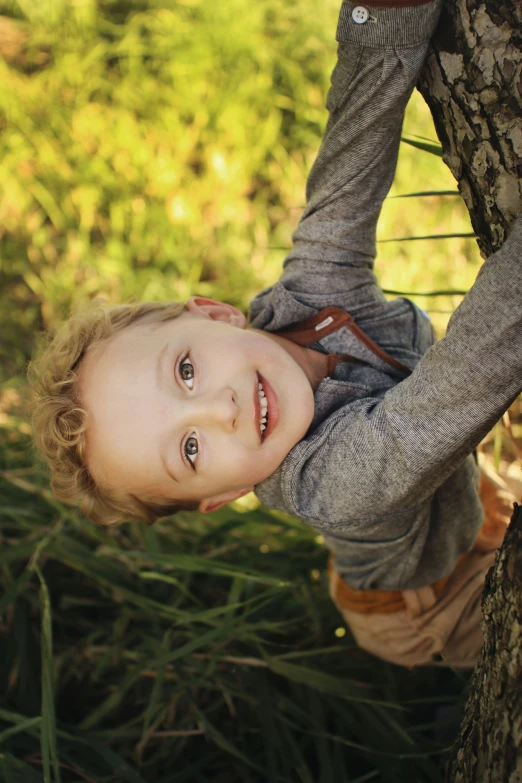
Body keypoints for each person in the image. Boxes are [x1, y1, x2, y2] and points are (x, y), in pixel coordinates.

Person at [27, 0, 521, 669]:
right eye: (191, 447)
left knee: (476, 504)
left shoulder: (303, 303)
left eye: (186, 373)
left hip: (449, 501)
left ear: (217, 312)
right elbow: (468, 377)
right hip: (427, 605)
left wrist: (387, 19)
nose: (219, 409)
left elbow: (347, 174)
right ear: (224, 497)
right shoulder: (336, 483)